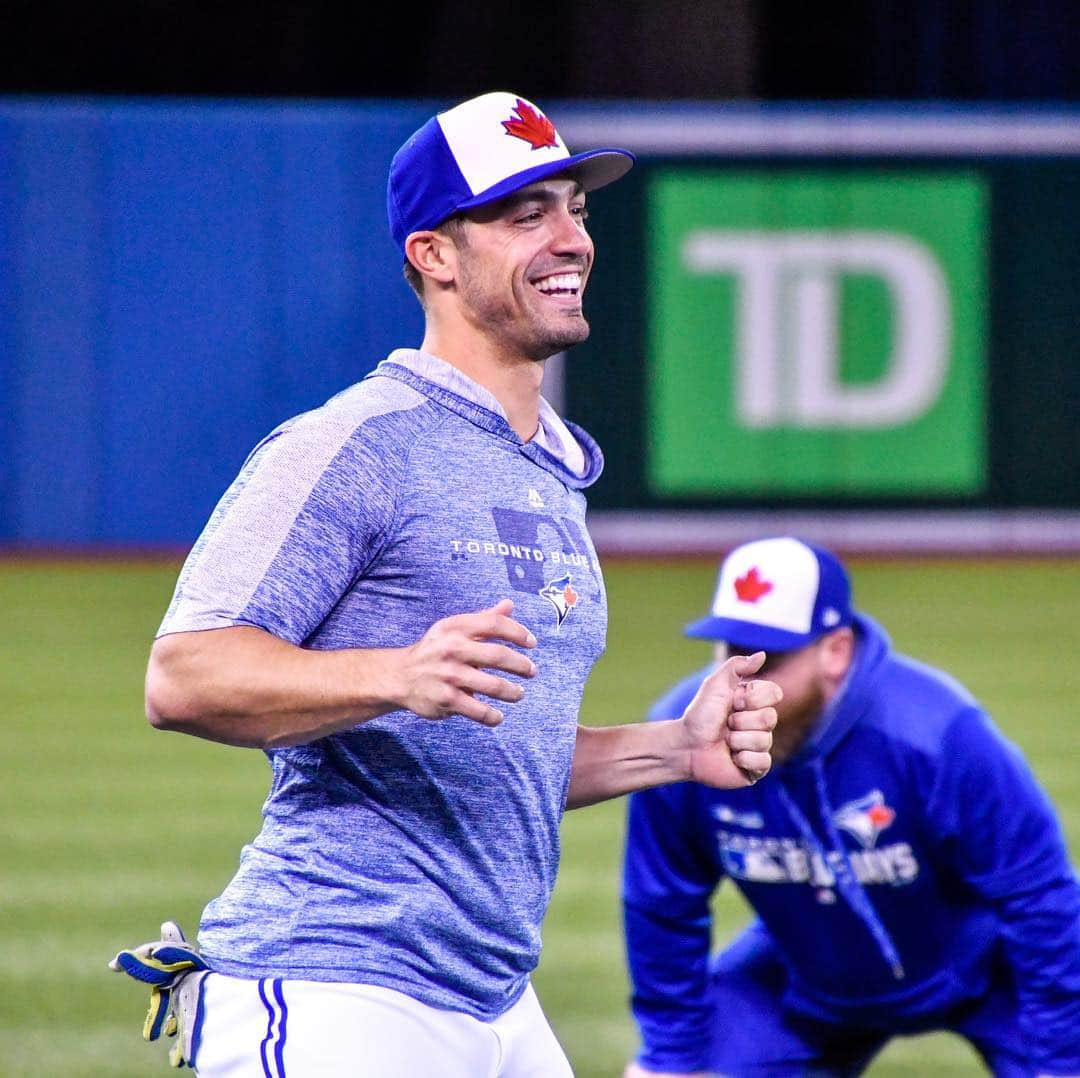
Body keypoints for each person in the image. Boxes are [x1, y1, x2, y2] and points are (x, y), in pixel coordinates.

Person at [109, 92, 779, 1077]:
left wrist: (673, 749)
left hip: (494, 1003)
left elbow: (501, 750)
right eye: (526, 214)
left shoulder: (547, 470)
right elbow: (183, 675)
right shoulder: (355, 443)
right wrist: (395, 675)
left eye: (575, 207)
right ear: (434, 255)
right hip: (337, 985)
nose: (571, 238)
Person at [622, 536, 1080, 1078]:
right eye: (728, 651)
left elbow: (1041, 898)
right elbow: (662, 907)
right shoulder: (684, 741)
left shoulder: (939, 734)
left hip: (981, 965)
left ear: (835, 652)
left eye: (769, 659)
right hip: (809, 979)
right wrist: (675, 1056)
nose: (739, 686)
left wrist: (1057, 1060)